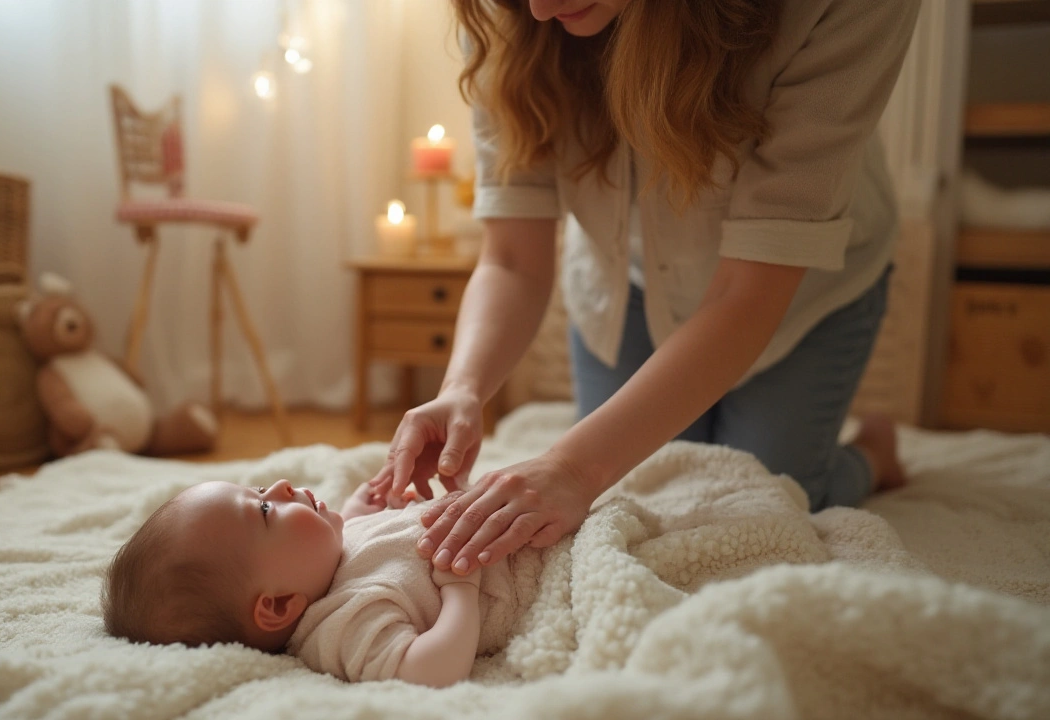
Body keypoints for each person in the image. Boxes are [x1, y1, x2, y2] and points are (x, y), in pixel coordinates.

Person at [371, 0, 920, 580]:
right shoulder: (508, 17)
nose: (538, 7)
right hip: (626, 282)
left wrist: (573, 469)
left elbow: (748, 293)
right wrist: (463, 388)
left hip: (799, 291)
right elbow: (511, 258)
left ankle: (873, 456)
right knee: (648, 493)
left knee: (772, 495)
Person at [101, 479, 542, 687]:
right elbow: (432, 670)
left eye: (258, 488)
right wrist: (459, 591)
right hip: (532, 559)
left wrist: (355, 514)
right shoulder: (342, 624)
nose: (280, 485)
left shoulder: (319, 564)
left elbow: (342, 553)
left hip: (517, 508)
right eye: (264, 511)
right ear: (277, 606)